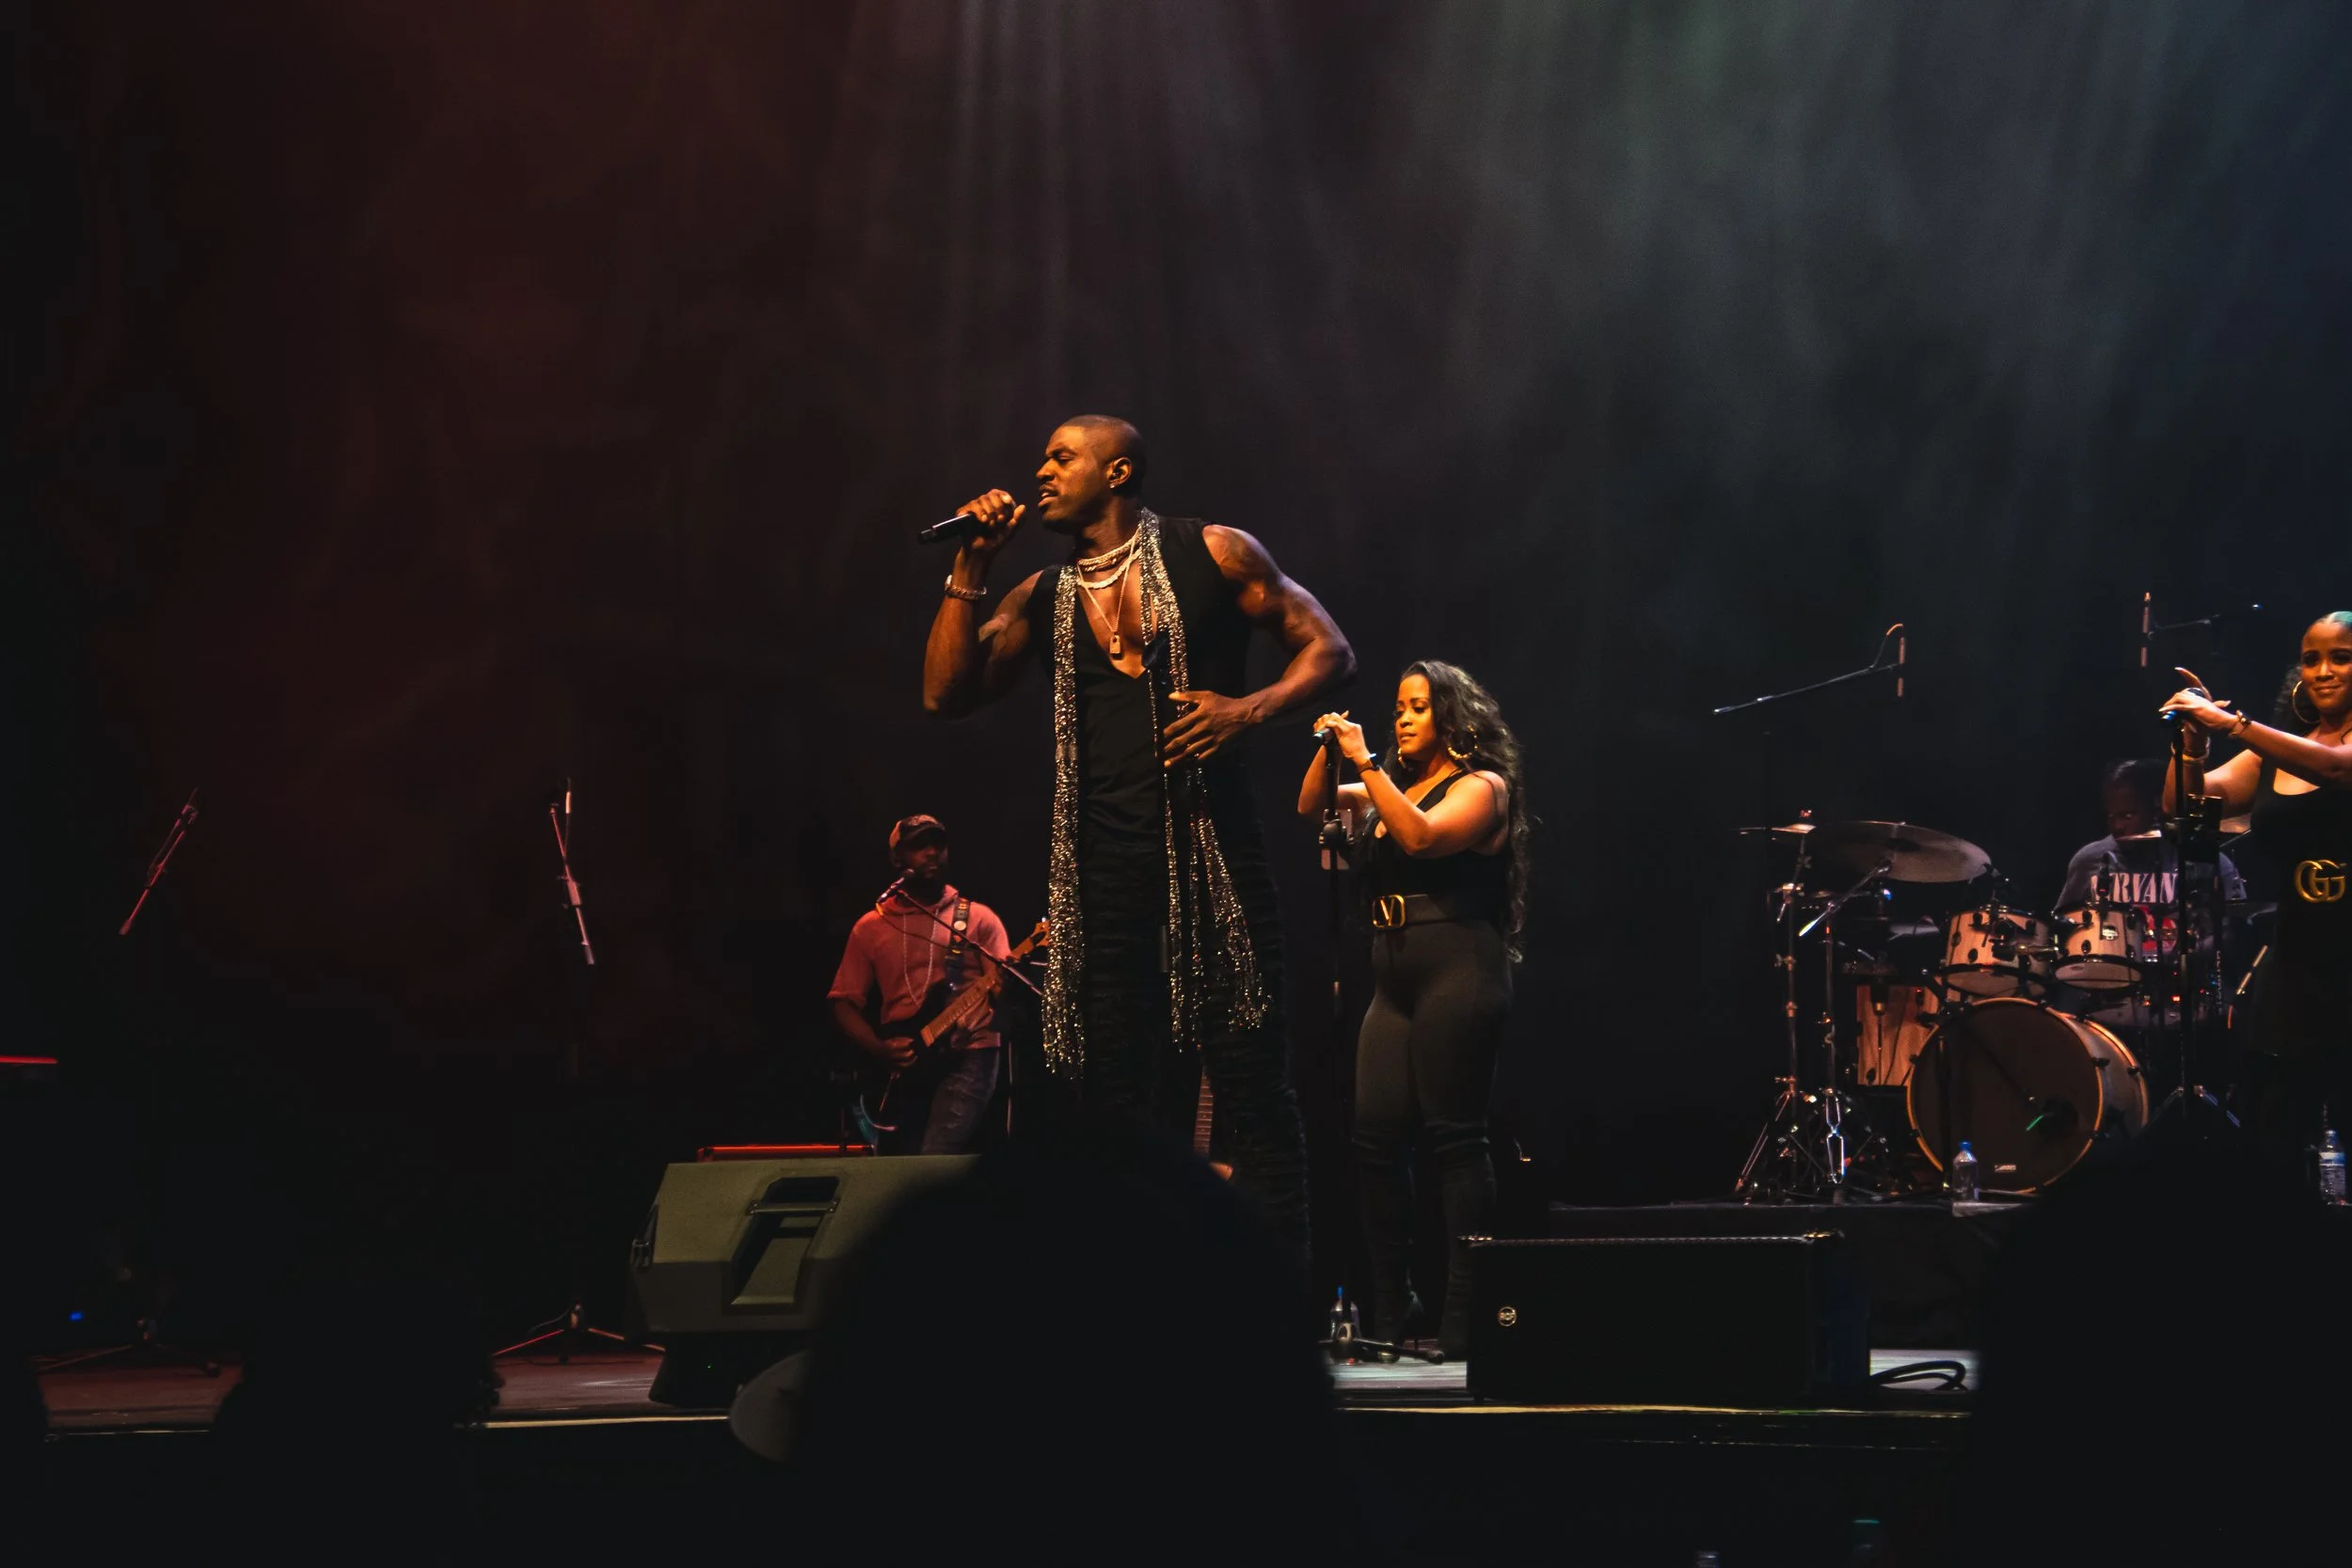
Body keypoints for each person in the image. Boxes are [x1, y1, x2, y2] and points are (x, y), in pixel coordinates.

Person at [922, 416, 1355, 1269]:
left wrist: (1246, 710)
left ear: (1117, 471)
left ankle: (1277, 1313)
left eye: (1061, 457)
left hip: (1217, 865)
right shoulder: (1043, 595)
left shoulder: (1215, 552)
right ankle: (1137, 1308)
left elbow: (1329, 649)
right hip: (1103, 878)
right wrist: (970, 566)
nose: (1041, 472)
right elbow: (945, 694)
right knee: (1114, 1105)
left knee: (1254, 1095)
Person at [1304, 661, 1528, 1357]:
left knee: (1455, 1139)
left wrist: (1366, 763)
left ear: (1452, 718)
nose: (1402, 717)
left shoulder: (1483, 787)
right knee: (1373, 1140)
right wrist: (1329, 747)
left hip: (1459, 965)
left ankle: (1465, 1311)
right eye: (1398, 706)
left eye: (1418, 706)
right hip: (1392, 976)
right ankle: (1392, 1303)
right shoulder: (1388, 787)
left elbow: (1423, 836)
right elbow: (1310, 804)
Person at [2158, 610, 2352, 1173]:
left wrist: (2230, 723)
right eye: (2311, 659)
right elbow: (2185, 805)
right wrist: (2192, 746)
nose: (2323, 671)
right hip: (2300, 954)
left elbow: (2337, 771)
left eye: (2341, 658)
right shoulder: (2280, 749)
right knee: (2274, 1125)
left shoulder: (2296, 749)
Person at [826, 815, 1013, 1154]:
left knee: (936, 1154)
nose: (931, 852)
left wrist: (998, 999)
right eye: (919, 846)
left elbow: (1003, 990)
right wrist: (879, 1049)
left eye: (938, 845)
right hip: (905, 1061)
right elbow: (843, 1002)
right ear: (897, 859)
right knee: (898, 1160)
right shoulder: (871, 927)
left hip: (969, 1054)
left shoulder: (978, 918)